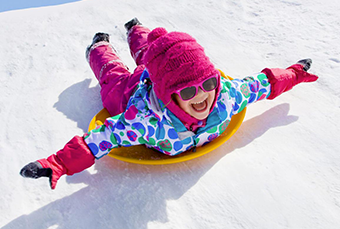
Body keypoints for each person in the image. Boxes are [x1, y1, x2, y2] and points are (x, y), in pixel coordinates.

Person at [20, 18, 319, 189]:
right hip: (129, 92)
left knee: (152, 51)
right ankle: (98, 46)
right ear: (169, 95)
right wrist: (58, 162)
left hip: (159, 75)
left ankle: (136, 29)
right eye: (188, 92)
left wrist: (294, 72)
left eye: (208, 84)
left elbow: (262, 84)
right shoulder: (146, 121)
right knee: (113, 76)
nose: (202, 96)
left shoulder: (225, 95)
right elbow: (102, 138)